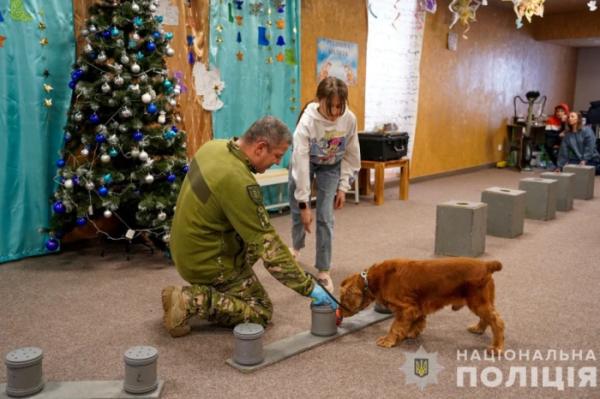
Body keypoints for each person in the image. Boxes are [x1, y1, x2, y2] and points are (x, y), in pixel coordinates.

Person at [162, 116, 337, 338]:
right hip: (204, 261)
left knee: (256, 240)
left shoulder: (212, 147)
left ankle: (214, 289)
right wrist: (309, 287)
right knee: (260, 311)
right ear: (260, 147)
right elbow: (270, 250)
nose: (276, 162)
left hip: (183, 247)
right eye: (276, 156)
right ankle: (191, 300)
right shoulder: (238, 181)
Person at [288, 77, 361, 293]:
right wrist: (303, 204)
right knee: (296, 209)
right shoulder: (307, 121)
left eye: (340, 106)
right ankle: (297, 246)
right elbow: (300, 161)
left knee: (325, 217)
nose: (336, 112)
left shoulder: (349, 119)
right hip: (306, 163)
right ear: (320, 100)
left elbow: (351, 153)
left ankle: (323, 268)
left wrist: (343, 186)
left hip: (331, 165)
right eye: (331, 106)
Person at [544, 103, 569, 168]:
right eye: (557, 111)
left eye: (561, 111)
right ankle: (558, 165)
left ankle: (562, 164)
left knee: (564, 144)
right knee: (547, 145)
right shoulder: (551, 120)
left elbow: (567, 131)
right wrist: (558, 135)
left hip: (565, 139)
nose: (559, 113)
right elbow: (548, 133)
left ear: (565, 112)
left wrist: (563, 122)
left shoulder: (568, 119)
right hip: (554, 137)